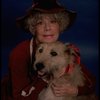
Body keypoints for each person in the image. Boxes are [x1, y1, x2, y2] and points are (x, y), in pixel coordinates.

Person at [1, 0, 96, 100]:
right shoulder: (19, 54)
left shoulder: (64, 50)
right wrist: (44, 78)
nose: (47, 28)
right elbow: (19, 97)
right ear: (33, 27)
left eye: (53, 21)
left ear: (60, 25)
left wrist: (76, 90)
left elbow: (91, 82)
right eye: (40, 22)